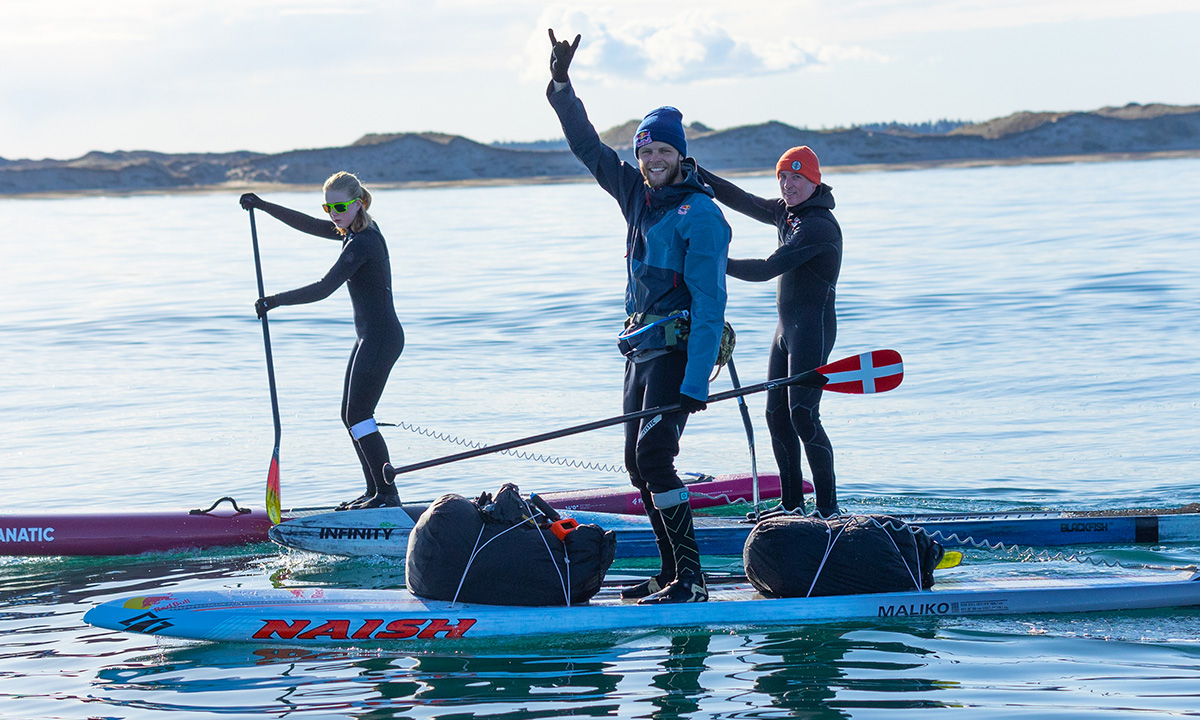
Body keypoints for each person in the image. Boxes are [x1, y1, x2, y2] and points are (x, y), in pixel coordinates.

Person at [546, 30, 731, 604]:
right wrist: (561, 86)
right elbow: (590, 150)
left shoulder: (700, 215)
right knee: (636, 463)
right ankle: (674, 572)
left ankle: (691, 581)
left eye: (663, 151)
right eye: (645, 151)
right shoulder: (635, 196)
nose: (652, 160)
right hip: (640, 355)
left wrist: (697, 379)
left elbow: (711, 304)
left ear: (680, 155)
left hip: (677, 355)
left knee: (656, 456)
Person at [240, 171, 405, 510]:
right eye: (328, 207)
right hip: (370, 338)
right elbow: (311, 225)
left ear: (358, 204)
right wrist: (263, 205)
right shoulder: (352, 231)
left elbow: (324, 287)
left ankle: (387, 496)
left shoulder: (364, 242)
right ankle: (375, 492)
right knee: (351, 415)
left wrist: (275, 300)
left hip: (382, 338)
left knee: (360, 414)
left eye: (340, 207)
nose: (333, 214)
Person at [696, 147, 842, 517]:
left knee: (803, 416)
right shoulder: (786, 212)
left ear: (814, 180)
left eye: (797, 178)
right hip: (784, 331)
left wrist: (711, 261)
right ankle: (792, 504)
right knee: (776, 414)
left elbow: (766, 269)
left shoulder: (818, 227)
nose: (788, 185)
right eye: (782, 178)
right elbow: (741, 200)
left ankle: (828, 509)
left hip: (812, 330)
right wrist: (699, 173)